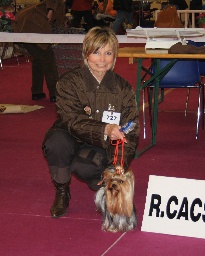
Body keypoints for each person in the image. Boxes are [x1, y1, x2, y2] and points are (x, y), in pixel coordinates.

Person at [42, 26, 140, 218]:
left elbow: (131, 130)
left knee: (85, 166)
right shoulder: (68, 82)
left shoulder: (123, 89)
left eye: (108, 53)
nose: (102, 60)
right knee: (55, 143)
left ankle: (107, 191)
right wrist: (105, 128)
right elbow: (72, 120)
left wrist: (117, 167)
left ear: (115, 56)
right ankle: (62, 189)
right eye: (96, 52)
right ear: (86, 53)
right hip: (70, 134)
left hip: (100, 145)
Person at [14, 0, 67, 102]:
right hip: (35, 27)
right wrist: (50, 10)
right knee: (48, 60)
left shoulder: (39, 6)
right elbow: (56, 17)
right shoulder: (59, 2)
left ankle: (37, 92)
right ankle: (55, 94)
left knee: (38, 60)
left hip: (23, 26)